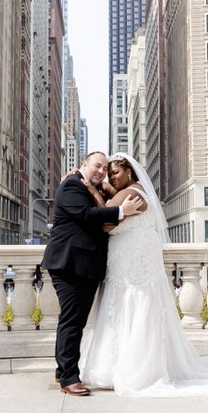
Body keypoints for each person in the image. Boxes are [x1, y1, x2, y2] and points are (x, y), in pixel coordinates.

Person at [80, 152, 208, 397]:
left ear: (129, 171)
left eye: (116, 173)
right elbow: (114, 203)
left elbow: (105, 222)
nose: (112, 178)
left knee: (131, 304)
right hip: (131, 257)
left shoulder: (131, 193)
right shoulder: (134, 190)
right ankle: (124, 364)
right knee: (128, 304)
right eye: (109, 175)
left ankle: (133, 368)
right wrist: (107, 189)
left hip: (134, 260)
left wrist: (93, 191)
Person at [41, 150, 143, 396]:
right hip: (70, 264)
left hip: (84, 266)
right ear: (84, 164)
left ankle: (62, 372)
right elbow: (88, 216)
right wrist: (122, 211)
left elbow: (107, 193)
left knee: (73, 321)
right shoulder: (72, 185)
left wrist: (104, 189)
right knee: (72, 322)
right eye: (97, 166)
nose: (101, 171)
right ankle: (69, 379)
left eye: (104, 169)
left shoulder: (87, 186)